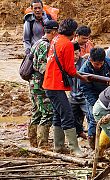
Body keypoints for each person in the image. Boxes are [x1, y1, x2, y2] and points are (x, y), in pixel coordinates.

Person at [42, 18, 89, 158]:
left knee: (58, 113)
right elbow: (70, 70)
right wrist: (82, 77)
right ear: (74, 32)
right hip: (56, 84)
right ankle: (74, 148)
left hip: (49, 82)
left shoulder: (55, 39)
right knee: (68, 114)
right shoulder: (67, 44)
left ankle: (59, 146)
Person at [79, 47, 110, 149]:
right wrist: (95, 103)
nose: (99, 66)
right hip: (93, 95)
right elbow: (85, 90)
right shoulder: (84, 70)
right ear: (90, 60)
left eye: (101, 63)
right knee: (93, 117)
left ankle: (105, 141)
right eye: (96, 64)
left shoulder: (108, 62)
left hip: (106, 94)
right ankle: (93, 143)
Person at [28, 20, 58, 149]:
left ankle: (33, 143)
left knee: (37, 112)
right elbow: (41, 66)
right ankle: (43, 144)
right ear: (53, 31)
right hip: (40, 83)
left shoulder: (37, 42)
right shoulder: (45, 45)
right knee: (47, 112)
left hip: (34, 82)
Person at [68, 42, 88, 140]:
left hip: (84, 96)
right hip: (72, 96)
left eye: (76, 54)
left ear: (80, 52)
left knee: (90, 115)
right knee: (73, 117)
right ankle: (79, 132)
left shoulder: (85, 63)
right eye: (72, 54)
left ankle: (93, 135)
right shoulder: (67, 63)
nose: (75, 56)